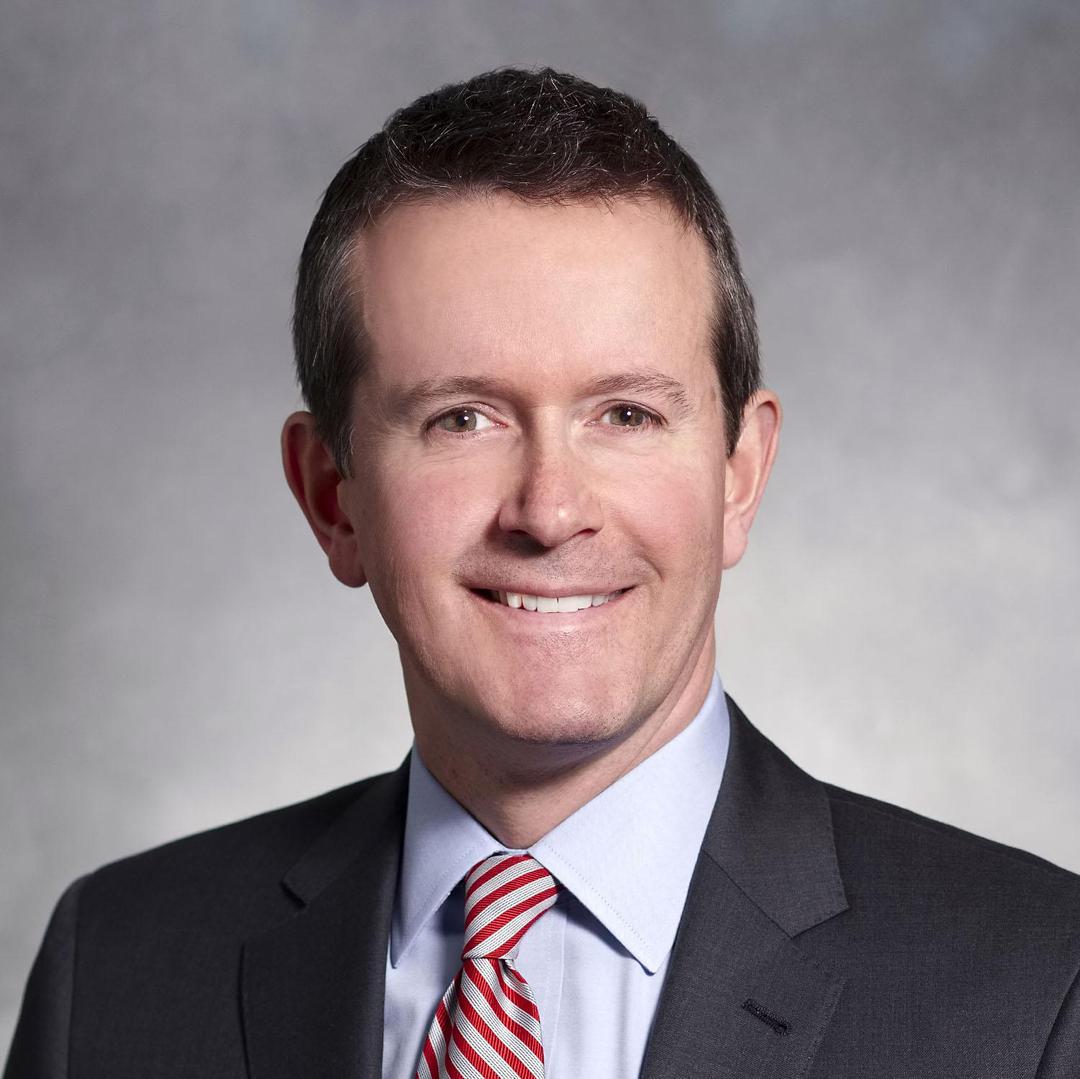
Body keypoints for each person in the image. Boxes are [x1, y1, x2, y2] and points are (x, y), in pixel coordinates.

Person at [5, 66, 1079, 1079]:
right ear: (332, 496)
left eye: (627, 414)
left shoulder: (1037, 992)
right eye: (461, 419)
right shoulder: (115, 968)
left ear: (738, 476)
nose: (550, 510)